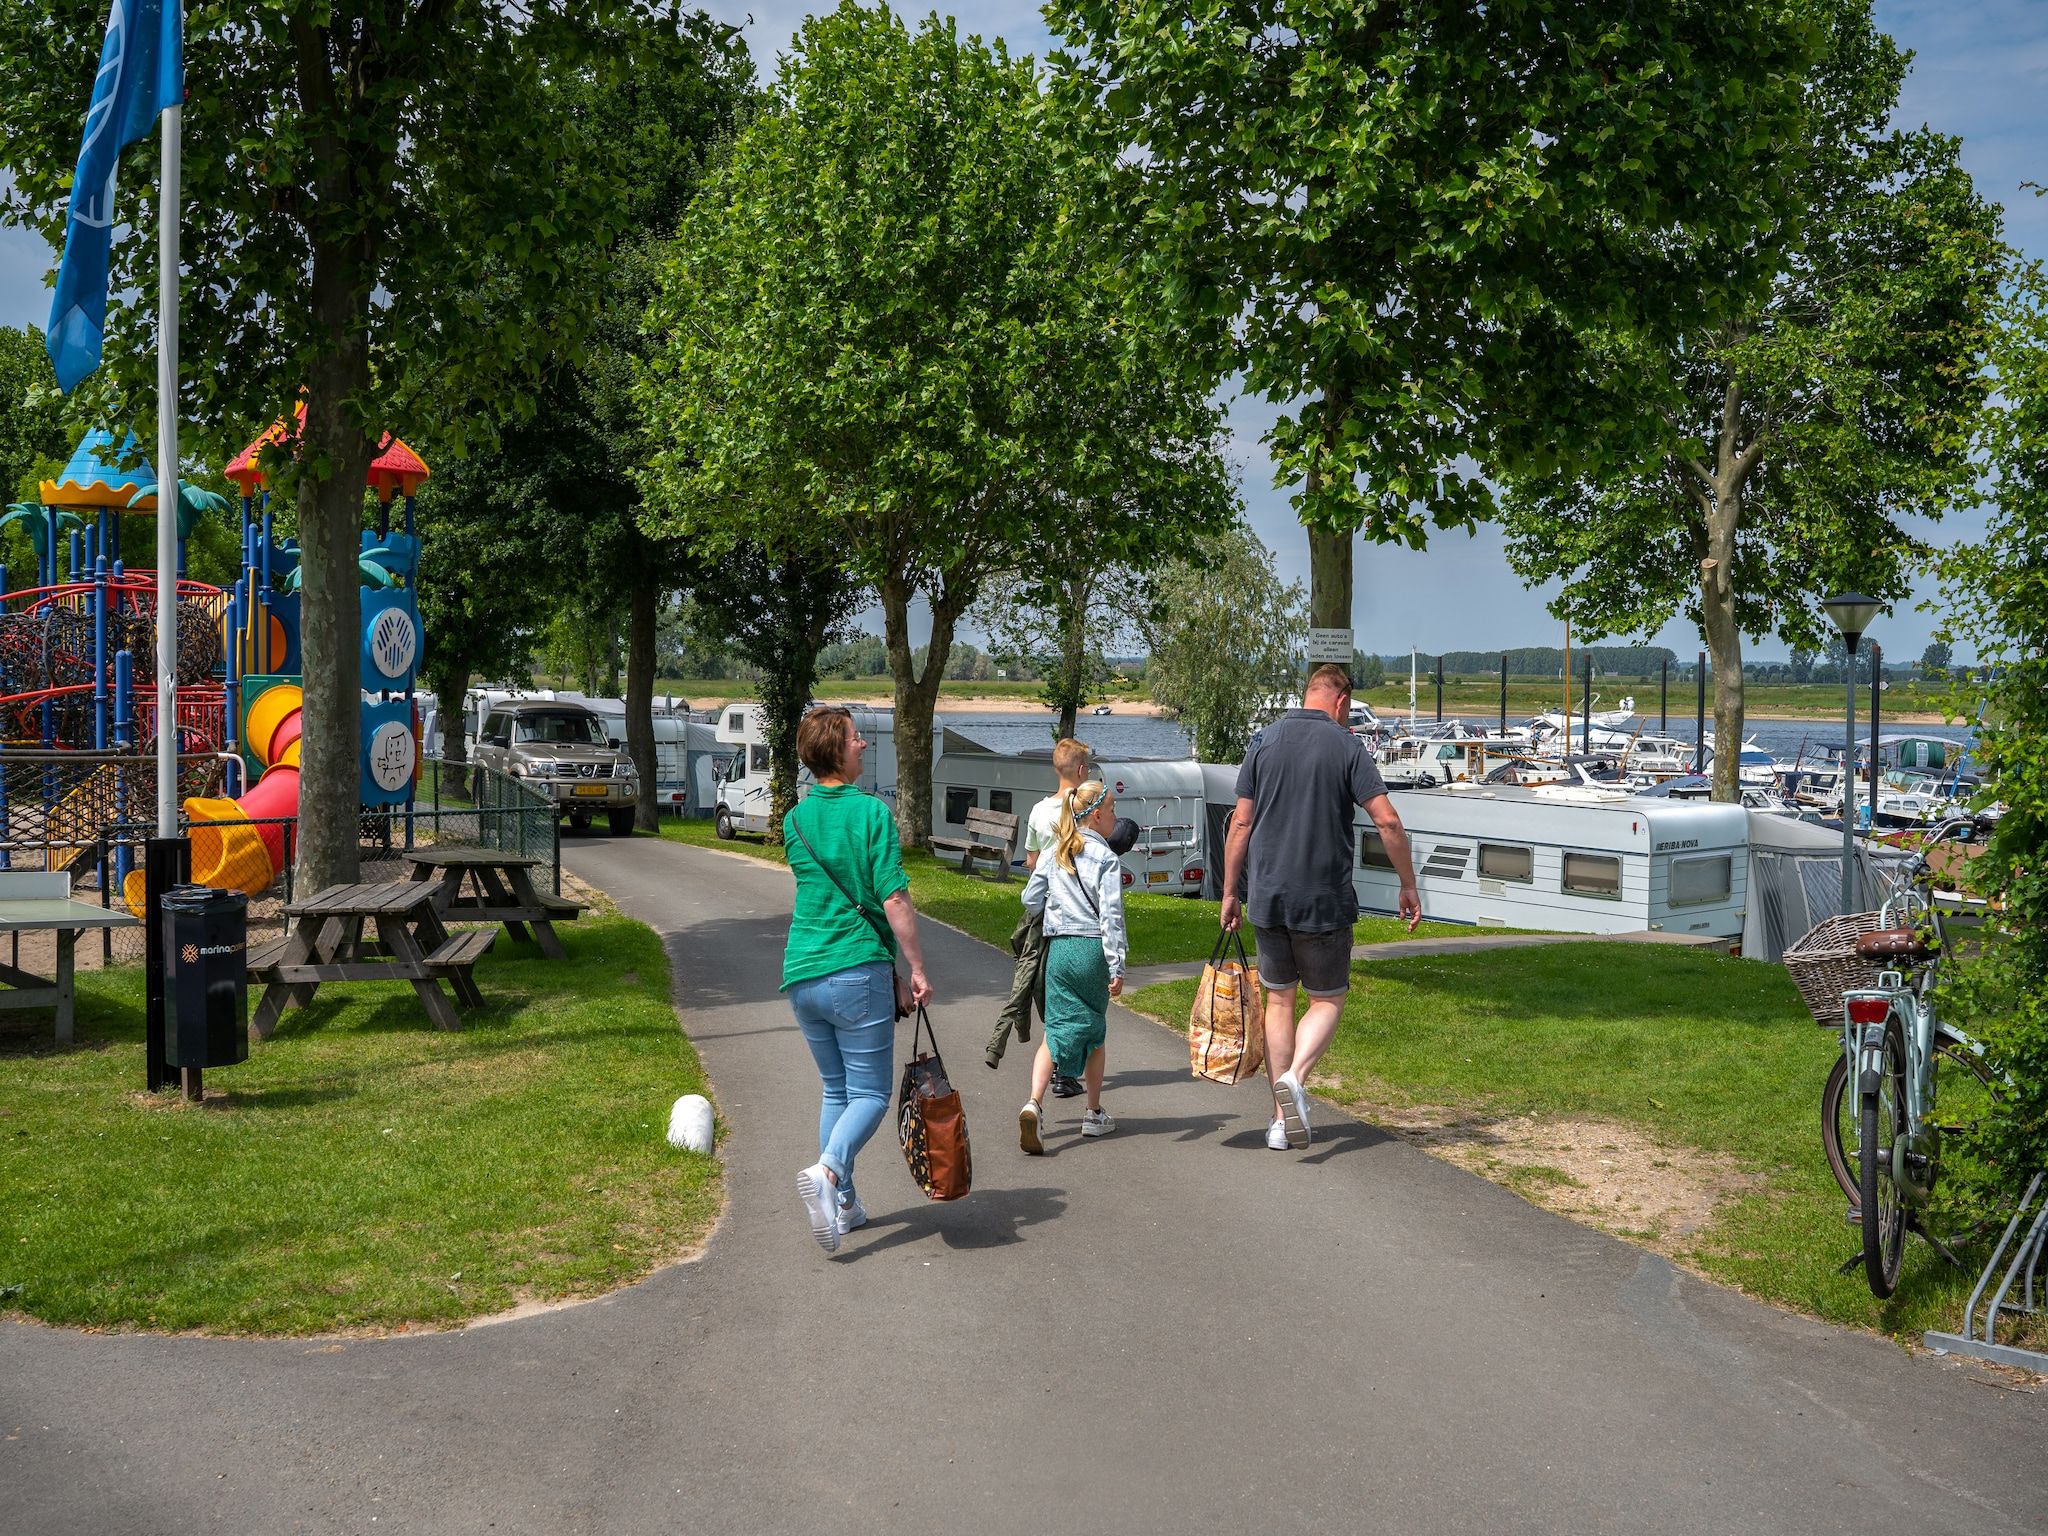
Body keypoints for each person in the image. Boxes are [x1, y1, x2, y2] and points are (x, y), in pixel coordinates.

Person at [1221, 664, 1420, 1150]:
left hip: (1267, 896)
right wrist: (1408, 884)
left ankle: (1276, 1122)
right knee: (1327, 999)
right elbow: (1388, 822)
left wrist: (1230, 890)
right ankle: (1296, 1079)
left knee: (1279, 1000)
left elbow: (1241, 824)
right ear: (1342, 702)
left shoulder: (1262, 742)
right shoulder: (1347, 746)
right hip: (1323, 899)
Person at [781, 706, 933, 1254]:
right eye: (854, 737)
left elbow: (838, 894)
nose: (863, 743)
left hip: (802, 974)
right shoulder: (872, 814)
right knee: (868, 1092)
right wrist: (915, 968)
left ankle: (844, 1206)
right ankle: (827, 1174)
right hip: (852, 973)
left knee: (835, 1089)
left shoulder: (793, 821)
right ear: (835, 750)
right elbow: (891, 898)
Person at [1016, 779, 1128, 1153]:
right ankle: (1093, 1113)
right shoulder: (1107, 859)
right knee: (1094, 1032)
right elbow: (1111, 918)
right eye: (1111, 810)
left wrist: (1053, 908)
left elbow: (1030, 897)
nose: (1114, 816)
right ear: (1096, 815)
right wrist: (1117, 966)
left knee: (1057, 1030)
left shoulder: (1054, 852)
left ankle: (1034, 1102)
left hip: (1061, 950)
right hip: (1093, 950)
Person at [985, 737, 1093, 1095]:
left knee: (1038, 983)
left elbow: (1031, 862)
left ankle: (1049, 1060)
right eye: (1088, 769)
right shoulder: (1084, 810)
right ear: (1080, 771)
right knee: (1063, 992)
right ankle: (1065, 1069)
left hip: (1038, 911)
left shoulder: (1038, 810)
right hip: (1073, 914)